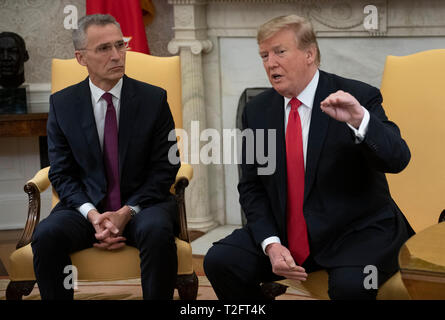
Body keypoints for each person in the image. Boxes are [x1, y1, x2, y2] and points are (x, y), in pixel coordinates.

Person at [204, 14, 415, 300]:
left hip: (355, 233)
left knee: (353, 287)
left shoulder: (356, 97)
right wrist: (271, 243)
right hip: (287, 233)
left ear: (309, 54)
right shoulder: (257, 111)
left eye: (280, 51)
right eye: (264, 55)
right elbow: (251, 186)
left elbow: (398, 159)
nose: (270, 63)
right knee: (221, 261)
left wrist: (360, 121)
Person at [31, 14, 180, 300]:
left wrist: (125, 213)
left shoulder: (154, 99)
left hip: (142, 205)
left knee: (157, 231)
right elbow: (61, 173)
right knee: (47, 235)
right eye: (103, 49)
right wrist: (94, 216)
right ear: (80, 57)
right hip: (86, 207)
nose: (117, 56)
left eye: (120, 45)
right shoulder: (62, 104)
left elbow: (166, 167)